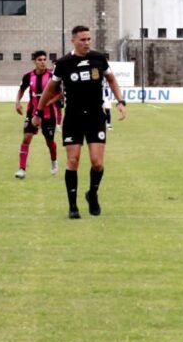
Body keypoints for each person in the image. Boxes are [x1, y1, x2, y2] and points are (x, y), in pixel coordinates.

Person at [32, 25, 127, 219]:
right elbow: (50, 89)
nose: (87, 43)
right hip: (73, 117)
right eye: (83, 40)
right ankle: (73, 206)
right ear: (73, 41)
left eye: (89, 39)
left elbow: (111, 80)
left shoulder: (99, 58)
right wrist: (38, 112)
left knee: (97, 163)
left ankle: (92, 194)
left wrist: (120, 101)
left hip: (95, 116)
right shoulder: (63, 63)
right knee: (73, 160)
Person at [14, 50, 61, 178]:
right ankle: (22, 169)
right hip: (32, 113)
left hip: (49, 114)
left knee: (49, 142)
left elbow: (61, 93)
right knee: (26, 138)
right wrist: (17, 102)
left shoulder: (52, 76)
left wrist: (50, 101)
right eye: (40, 60)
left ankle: (54, 161)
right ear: (34, 61)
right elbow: (21, 89)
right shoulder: (28, 76)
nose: (43, 62)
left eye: (44, 59)